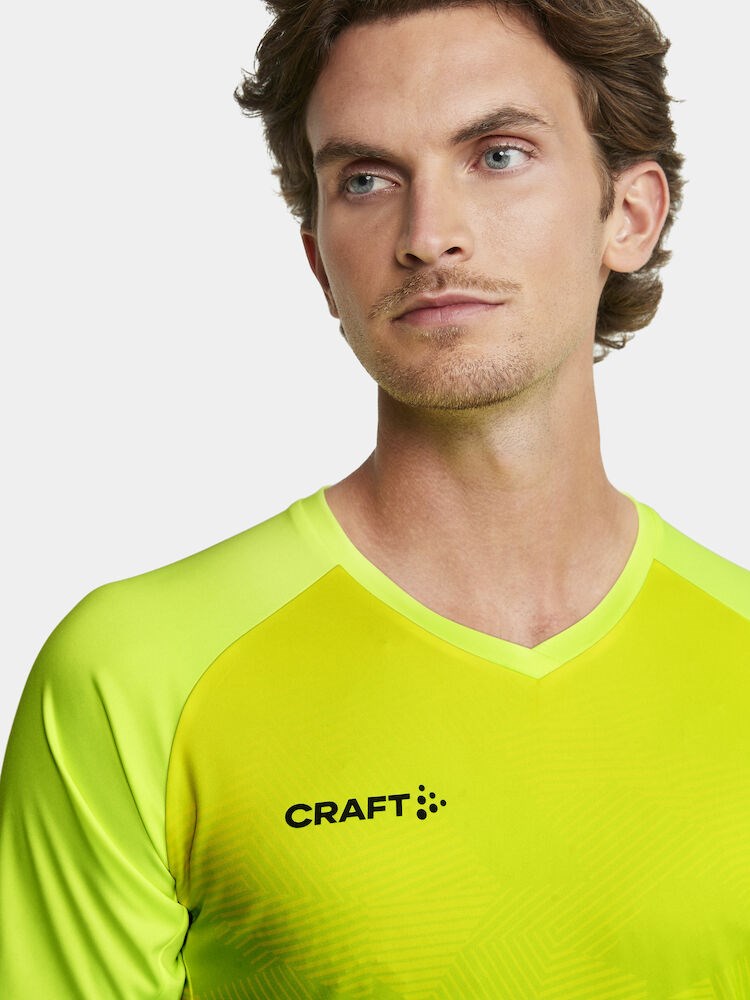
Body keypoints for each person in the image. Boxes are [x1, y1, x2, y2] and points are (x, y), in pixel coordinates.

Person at [1, 0, 748, 995]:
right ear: (319, 258)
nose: (429, 236)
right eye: (366, 179)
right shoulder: (134, 673)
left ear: (630, 215)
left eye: (498, 156)